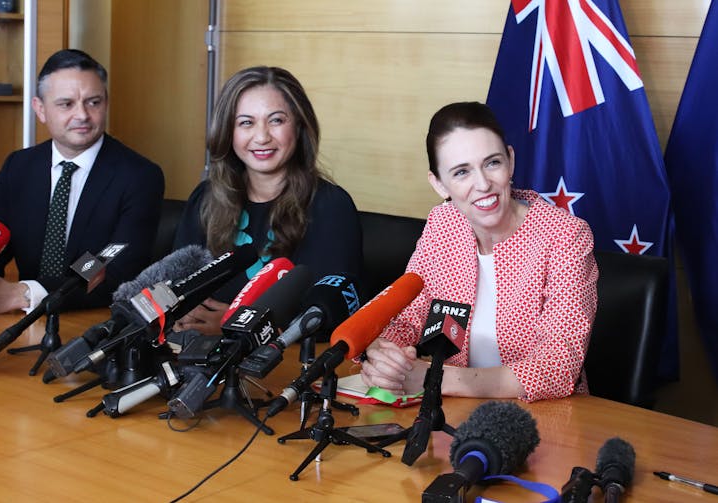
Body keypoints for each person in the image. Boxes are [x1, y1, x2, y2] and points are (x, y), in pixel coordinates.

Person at [360, 102, 598, 402]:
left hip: (543, 417)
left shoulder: (564, 236)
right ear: (438, 183)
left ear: (510, 161)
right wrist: (384, 358)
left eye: (492, 163)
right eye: (461, 172)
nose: (483, 184)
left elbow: (557, 367)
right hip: (450, 410)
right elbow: (409, 318)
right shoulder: (443, 225)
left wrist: (434, 378)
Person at [0, 49, 164, 315]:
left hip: (90, 322)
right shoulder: (19, 167)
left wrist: (24, 293)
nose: (82, 115)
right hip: (18, 323)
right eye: (66, 104)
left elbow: (108, 267)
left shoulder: (138, 176)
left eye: (93, 102)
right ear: (40, 109)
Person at [173, 66, 362, 336]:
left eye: (276, 120)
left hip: (283, 366)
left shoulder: (331, 206)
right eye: (246, 122)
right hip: (197, 357)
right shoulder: (204, 199)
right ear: (228, 132)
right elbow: (177, 288)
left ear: (298, 126)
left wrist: (235, 327)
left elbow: (327, 316)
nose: (261, 137)